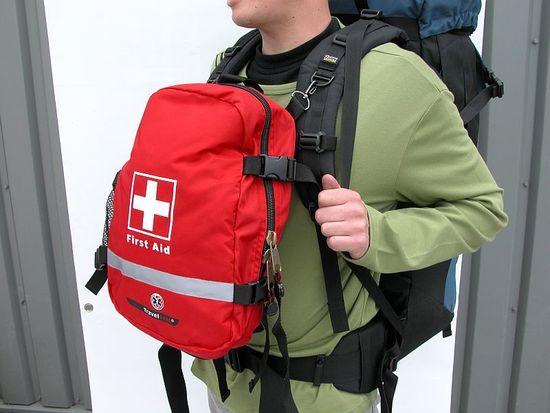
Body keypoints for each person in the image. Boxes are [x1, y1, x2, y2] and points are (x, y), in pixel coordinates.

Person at [191, 1, 509, 412]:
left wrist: (378, 234)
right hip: (222, 377)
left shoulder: (396, 79)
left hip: (319, 397)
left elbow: (482, 208)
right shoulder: (229, 68)